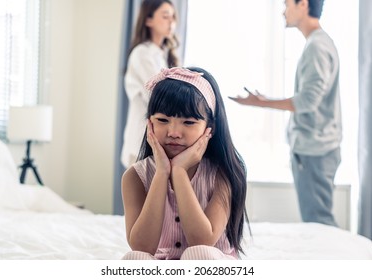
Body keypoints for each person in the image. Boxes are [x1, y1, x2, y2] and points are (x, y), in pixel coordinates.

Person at [229, 0, 341, 227]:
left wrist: (261, 103)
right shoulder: (319, 43)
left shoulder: (317, 47)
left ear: (303, 5)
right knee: (318, 220)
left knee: (319, 223)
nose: (283, 10)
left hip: (314, 150)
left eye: (287, 3)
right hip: (318, 148)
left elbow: (308, 101)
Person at [121, 67, 249, 260]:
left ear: (209, 128)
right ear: (150, 124)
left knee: (199, 254)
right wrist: (162, 173)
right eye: (163, 120)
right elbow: (141, 246)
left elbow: (202, 241)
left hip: (210, 263)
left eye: (188, 122)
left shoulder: (223, 174)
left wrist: (179, 172)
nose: (173, 132)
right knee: (134, 259)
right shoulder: (135, 176)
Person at [121, 0, 180, 169]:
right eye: (165, 16)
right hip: (141, 142)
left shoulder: (162, 55)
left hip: (155, 143)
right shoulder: (142, 54)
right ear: (148, 20)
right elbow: (161, 95)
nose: (171, 22)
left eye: (173, 17)